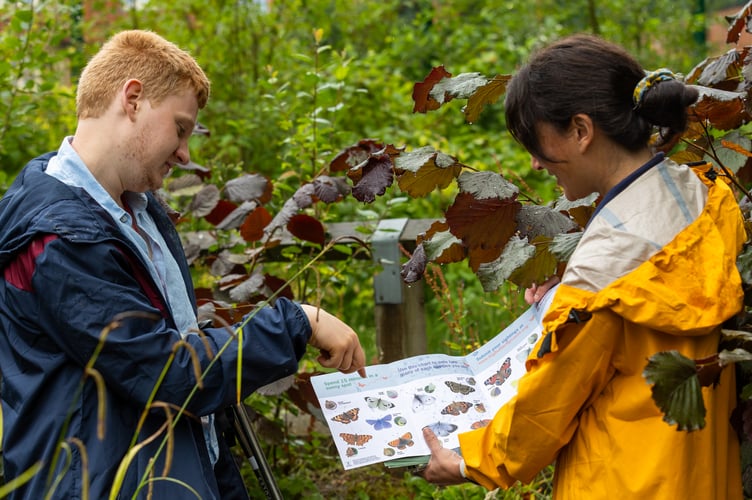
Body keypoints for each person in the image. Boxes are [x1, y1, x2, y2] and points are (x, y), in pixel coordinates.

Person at [0, 30, 366, 499]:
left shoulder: (138, 212)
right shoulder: (59, 241)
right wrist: (297, 322)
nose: (185, 153)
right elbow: (165, 373)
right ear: (132, 99)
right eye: (180, 127)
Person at [420, 34, 745, 498]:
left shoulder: (602, 274)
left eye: (536, 141)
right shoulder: (702, 198)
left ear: (580, 130)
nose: (534, 163)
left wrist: (470, 460)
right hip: (702, 477)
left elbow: (545, 408)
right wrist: (569, 293)